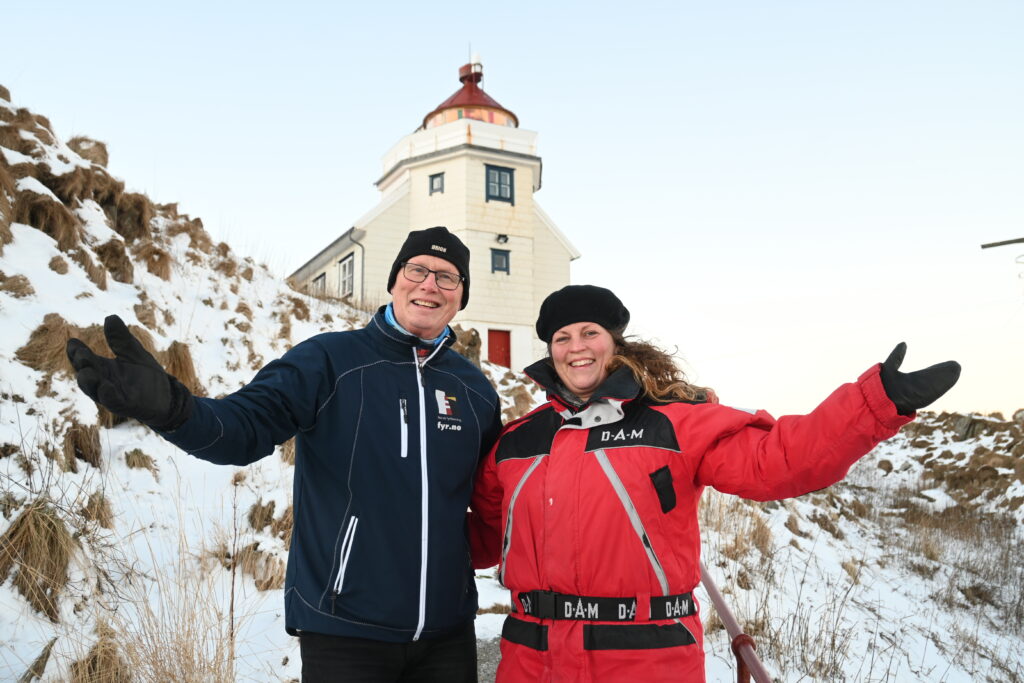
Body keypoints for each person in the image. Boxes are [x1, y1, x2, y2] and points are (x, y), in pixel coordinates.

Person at [66, 226, 503, 683]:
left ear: (461, 297)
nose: (430, 284)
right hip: (345, 629)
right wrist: (175, 410)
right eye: (417, 270)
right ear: (395, 280)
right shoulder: (330, 360)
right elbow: (243, 429)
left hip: (447, 637)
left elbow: (497, 495)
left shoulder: (473, 390)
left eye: (447, 277)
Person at [468, 284, 960, 683]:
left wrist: (876, 402)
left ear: (615, 343)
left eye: (589, 332)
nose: (576, 347)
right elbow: (484, 537)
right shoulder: (518, 441)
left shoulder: (674, 423)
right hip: (532, 661)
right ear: (550, 350)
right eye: (562, 337)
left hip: (646, 662)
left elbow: (779, 461)